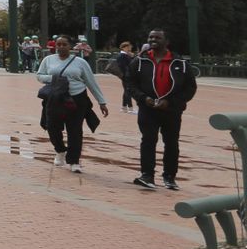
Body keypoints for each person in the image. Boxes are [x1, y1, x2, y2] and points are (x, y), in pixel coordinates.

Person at [125, 29, 198, 191]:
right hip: (148, 109)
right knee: (148, 140)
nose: (153, 40)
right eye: (150, 37)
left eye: (157, 37)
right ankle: (147, 175)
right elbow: (130, 84)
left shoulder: (181, 64)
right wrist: (144, 98)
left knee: (171, 143)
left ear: (167, 41)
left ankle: (169, 177)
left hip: (171, 110)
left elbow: (190, 88)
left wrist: (171, 102)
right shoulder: (139, 61)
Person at [36, 33, 109, 173]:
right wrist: (55, 78)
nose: (61, 47)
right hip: (55, 99)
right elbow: (39, 76)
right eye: (59, 44)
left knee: (74, 130)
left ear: (71, 46)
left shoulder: (80, 62)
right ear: (55, 46)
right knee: (52, 127)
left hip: (77, 99)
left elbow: (91, 82)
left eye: (64, 44)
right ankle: (60, 150)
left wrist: (101, 101)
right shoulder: (48, 60)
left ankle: (74, 161)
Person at [109, 40, 137, 113]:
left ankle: (124, 107)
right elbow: (125, 66)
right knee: (128, 91)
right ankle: (130, 108)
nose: (130, 48)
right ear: (124, 48)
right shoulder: (122, 55)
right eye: (129, 47)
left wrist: (132, 56)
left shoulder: (126, 55)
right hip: (126, 76)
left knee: (126, 91)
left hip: (126, 76)